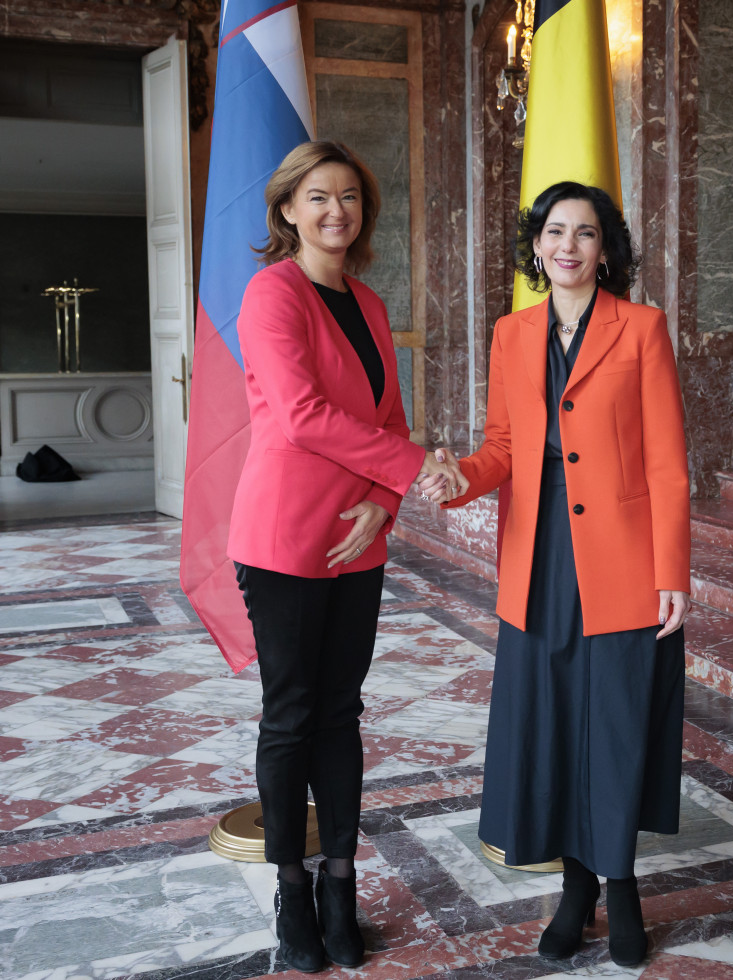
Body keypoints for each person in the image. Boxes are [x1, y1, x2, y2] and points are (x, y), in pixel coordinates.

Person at [435, 181, 690, 967]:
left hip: (622, 555)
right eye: (554, 231)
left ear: (605, 248)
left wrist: (672, 567)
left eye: (585, 232)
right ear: (537, 247)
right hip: (539, 553)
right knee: (551, 723)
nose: (568, 245)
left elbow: (668, 463)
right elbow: (504, 448)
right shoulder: (512, 334)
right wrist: (460, 479)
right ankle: (575, 893)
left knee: (612, 726)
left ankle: (622, 891)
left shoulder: (642, 329)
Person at [226, 140, 466, 973]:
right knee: (290, 716)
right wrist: (415, 468)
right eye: (320, 197)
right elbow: (297, 416)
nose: (338, 211)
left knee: (342, 714)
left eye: (352, 198)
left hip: (358, 541)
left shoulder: (367, 303)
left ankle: (340, 884)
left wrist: (387, 500)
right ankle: (292, 891)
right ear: (288, 209)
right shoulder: (270, 293)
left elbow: (389, 421)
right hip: (287, 537)